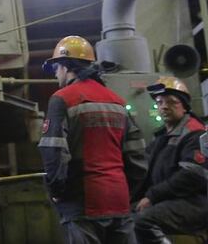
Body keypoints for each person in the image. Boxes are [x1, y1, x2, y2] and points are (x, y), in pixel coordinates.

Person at [38, 35, 147, 243]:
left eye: (55, 69)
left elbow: (53, 151)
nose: (55, 75)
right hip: (119, 200)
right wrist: (126, 191)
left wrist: (56, 192)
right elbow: (137, 156)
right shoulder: (118, 102)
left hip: (82, 202)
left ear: (65, 66)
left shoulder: (62, 99)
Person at [134, 77, 208, 243]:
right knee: (128, 215)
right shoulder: (162, 138)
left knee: (145, 220)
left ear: (184, 106)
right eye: (160, 102)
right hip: (171, 199)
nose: (164, 106)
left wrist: (152, 196)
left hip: (196, 202)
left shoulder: (194, 133)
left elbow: (192, 176)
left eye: (172, 102)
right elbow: (145, 172)